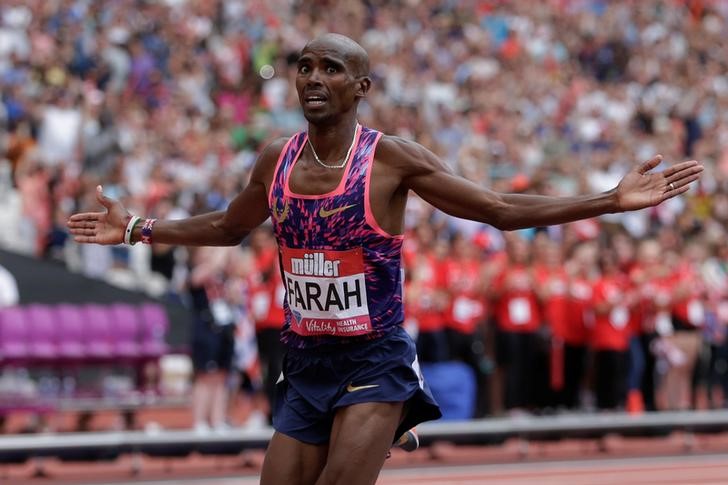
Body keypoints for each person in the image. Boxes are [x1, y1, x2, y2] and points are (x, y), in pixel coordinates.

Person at [68, 33, 703, 485]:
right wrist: (138, 229)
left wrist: (608, 201)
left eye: (333, 69)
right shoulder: (275, 159)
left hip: (374, 363)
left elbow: (497, 209)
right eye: (306, 67)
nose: (314, 78)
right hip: (306, 362)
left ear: (361, 86)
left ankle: (388, 422)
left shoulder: (391, 159)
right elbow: (229, 227)